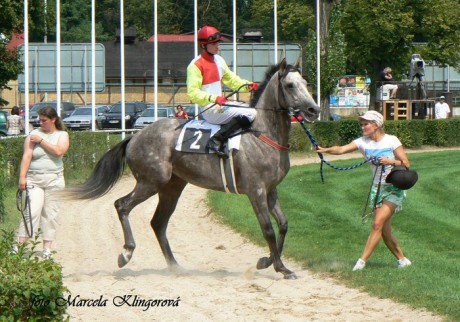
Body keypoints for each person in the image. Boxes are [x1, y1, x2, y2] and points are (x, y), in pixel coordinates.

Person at [316, 111, 412, 271]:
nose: (363, 127)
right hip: (376, 189)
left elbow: (406, 163)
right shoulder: (362, 142)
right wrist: (324, 150)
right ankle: (402, 260)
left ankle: (361, 263)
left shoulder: (391, 140)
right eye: (362, 123)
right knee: (384, 231)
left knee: (377, 224)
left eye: (366, 123)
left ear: (377, 125)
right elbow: (340, 150)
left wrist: (390, 161)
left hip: (393, 188)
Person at [186, 25, 259, 157]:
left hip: (221, 106)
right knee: (251, 113)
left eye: (218, 42)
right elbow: (193, 93)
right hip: (210, 109)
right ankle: (216, 140)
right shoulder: (195, 65)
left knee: (255, 109)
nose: (218, 46)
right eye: (214, 43)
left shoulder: (219, 60)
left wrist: (248, 85)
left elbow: (232, 80)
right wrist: (214, 98)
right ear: (203, 45)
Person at [16, 106, 70, 259]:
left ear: (53, 120)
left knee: (51, 214)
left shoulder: (62, 135)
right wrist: (22, 177)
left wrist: (42, 141)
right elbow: (27, 156)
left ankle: (47, 248)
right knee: (32, 211)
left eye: (44, 120)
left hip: (55, 178)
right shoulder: (33, 135)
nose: (41, 123)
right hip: (34, 178)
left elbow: (59, 151)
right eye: (39, 120)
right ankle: (19, 245)